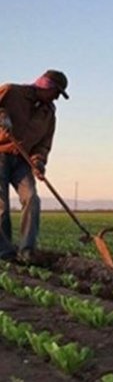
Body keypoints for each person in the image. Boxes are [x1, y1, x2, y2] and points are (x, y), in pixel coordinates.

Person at [0, 70, 68, 263]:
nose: (56, 97)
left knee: (32, 199)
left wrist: (38, 161)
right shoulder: (12, 92)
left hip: (23, 160)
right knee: (1, 206)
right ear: (45, 85)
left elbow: (43, 144)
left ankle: (27, 250)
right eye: (56, 92)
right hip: (0, 153)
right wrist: (2, 114)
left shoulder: (49, 115)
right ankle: (4, 253)